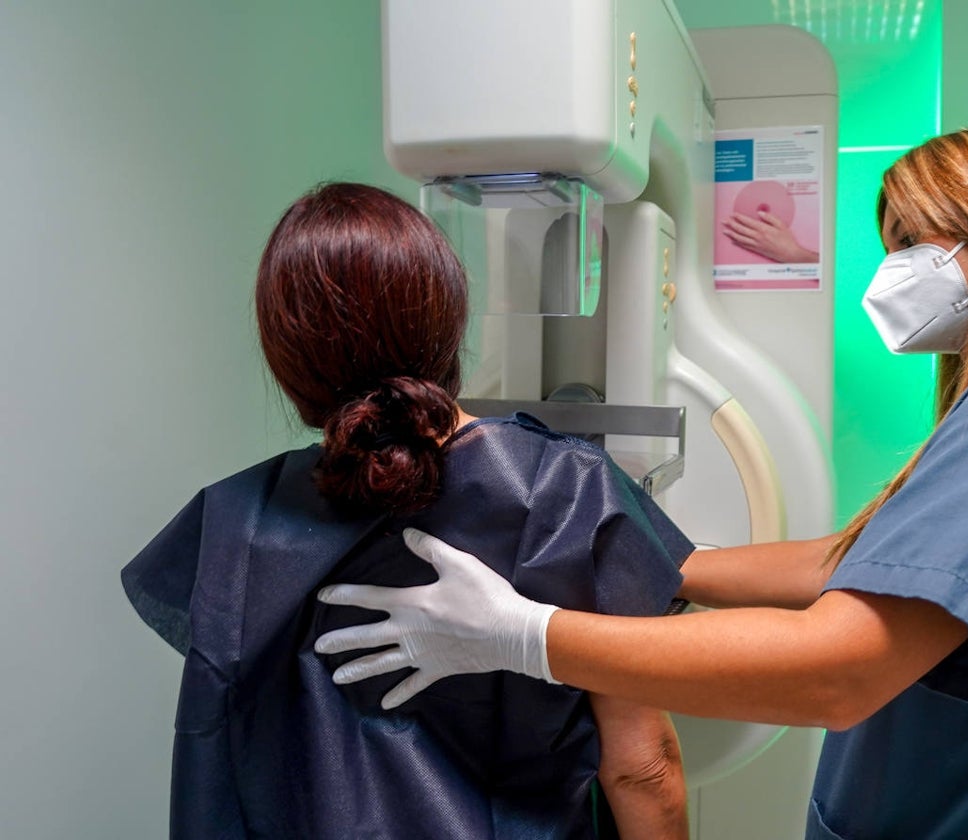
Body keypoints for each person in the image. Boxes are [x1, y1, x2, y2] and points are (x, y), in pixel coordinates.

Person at [315, 126, 968, 839]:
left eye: (915, 242)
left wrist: (527, 634)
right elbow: (864, 562)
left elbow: (836, 671)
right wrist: (662, 558)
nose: (894, 270)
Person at [121, 182, 690, 839]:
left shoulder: (227, 524)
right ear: (447, 322)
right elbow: (642, 770)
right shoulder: (563, 491)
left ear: (288, 357)